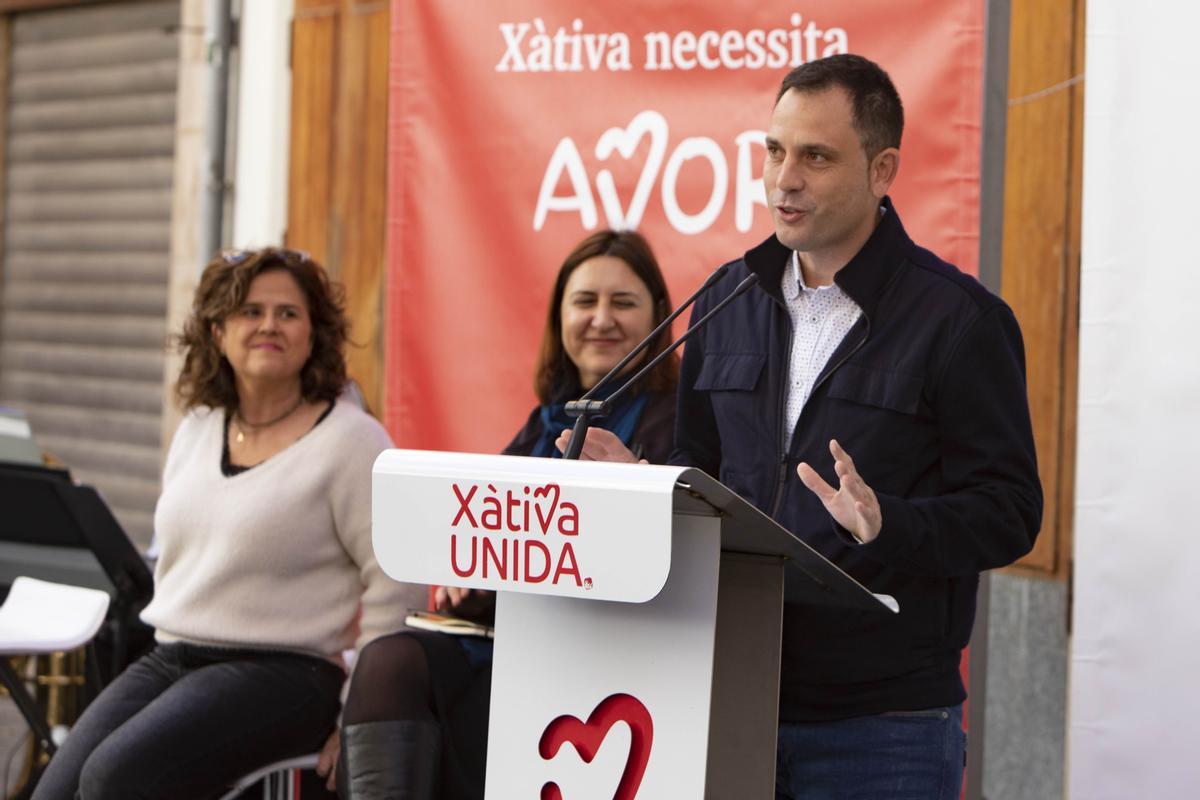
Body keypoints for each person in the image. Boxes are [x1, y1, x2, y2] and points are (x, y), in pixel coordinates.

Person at [561, 55, 1043, 799]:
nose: (784, 178)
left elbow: (1010, 514)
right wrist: (650, 488)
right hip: (728, 697)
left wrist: (891, 524)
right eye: (774, 151)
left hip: (882, 728)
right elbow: (705, 468)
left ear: (883, 169)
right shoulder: (728, 297)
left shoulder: (960, 323)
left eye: (815, 156)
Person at [32, 248, 417, 799]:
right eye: (249, 311)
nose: (268, 325)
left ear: (314, 334)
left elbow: (396, 582)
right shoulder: (197, 427)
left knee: (116, 779)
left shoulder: (352, 441)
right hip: (172, 656)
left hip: (286, 673)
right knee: (55, 789)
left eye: (288, 313)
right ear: (216, 333)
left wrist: (359, 714)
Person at [327, 229, 679, 799]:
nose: (601, 319)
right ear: (559, 316)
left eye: (624, 302)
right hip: (506, 642)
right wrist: (475, 579)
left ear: (660, 315)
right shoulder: (546, 418)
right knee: (388, 662)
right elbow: (497, 534)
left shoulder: (679, 417)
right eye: (584, 301)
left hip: (606, 659)